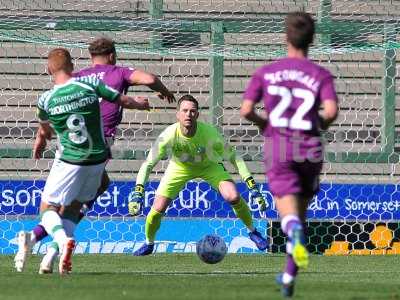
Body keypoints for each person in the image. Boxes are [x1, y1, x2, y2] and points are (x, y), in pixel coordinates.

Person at [14, 37, 175, 274]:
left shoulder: (72, 83)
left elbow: (44, 126)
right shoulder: (99, 80)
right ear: (112, 55)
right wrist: (157, 94)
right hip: (99, 149)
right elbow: (148, 80)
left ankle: (45, 242)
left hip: (72, 152)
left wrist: (40, 138)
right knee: (87, 195)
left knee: (52, 207)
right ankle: (48, 249)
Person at [240, 12, 338, 297]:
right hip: (310, 147)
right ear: (312, 40)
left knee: (290, 218)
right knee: (301, 216)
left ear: (286, 38)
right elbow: (331, 111)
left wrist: (266, 125)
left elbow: (246, 110)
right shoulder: (320, 74)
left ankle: (292, 235)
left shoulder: (266, 73)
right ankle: (287, 277)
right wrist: (317, 126)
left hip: (280, 147)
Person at [128, 94, 268, 256]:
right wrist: (138, 190)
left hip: (209, 166)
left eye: (192, 111)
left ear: (198, 114)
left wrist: (252, 186)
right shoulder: (168, 135)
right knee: (158, 208)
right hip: (179, 168)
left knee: (233, 196)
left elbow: (234, 157)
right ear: (178, 114)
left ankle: (253, 232)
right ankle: (149, 243)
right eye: (185, 111)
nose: (188, 114)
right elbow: (148, 163)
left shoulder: (209, 134)